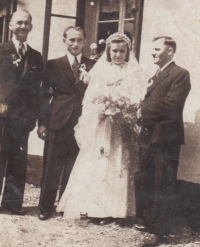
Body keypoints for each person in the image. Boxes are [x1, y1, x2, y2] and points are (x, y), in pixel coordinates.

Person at [56, 32, 145, 224]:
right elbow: (90, 97)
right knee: (99, 162)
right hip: (102, 123)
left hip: (121, 125)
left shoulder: (134, 72)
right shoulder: (101, 70)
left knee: (118, 162)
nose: (118, 55)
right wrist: (101, 108)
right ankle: (97, 209)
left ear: (128, 52)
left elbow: (137, 96)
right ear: (109, 51)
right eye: (114, 51)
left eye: (122, 51)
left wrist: (122, 107)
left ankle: (117, 210)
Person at [135, 36, 191, 246]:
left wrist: (139, 111)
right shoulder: (156, 74)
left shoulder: (180, 74)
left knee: (163, 184)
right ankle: (150, 224)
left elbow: (170, 104)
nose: (152, 53)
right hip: (150, 136)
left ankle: (159, 233)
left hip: (166, 138)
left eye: (157, 49)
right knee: (149, 180)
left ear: (170, 51)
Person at [37, 26, 94, 220]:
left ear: (84, 41)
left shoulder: (93, 65)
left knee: (74, 166)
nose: (75, 44)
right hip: (58, 121)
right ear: (65, 41)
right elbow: (44, 96)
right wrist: (42, 124)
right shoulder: (54, 65)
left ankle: (65, 206)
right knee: (52, 166)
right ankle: (44, 208)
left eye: (79, 40)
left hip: (82, 124)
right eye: (71, 40)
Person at [0, 10, 43, 215]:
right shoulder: (1, 50)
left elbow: (37, 90)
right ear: (10, 26)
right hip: (1, 117)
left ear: (31, 27)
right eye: (19, 23)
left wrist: (32, 117)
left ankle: (12, 204)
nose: (23, 27)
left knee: (18, 162)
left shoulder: (35, 56)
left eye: (27, 23)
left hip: (22, 119)